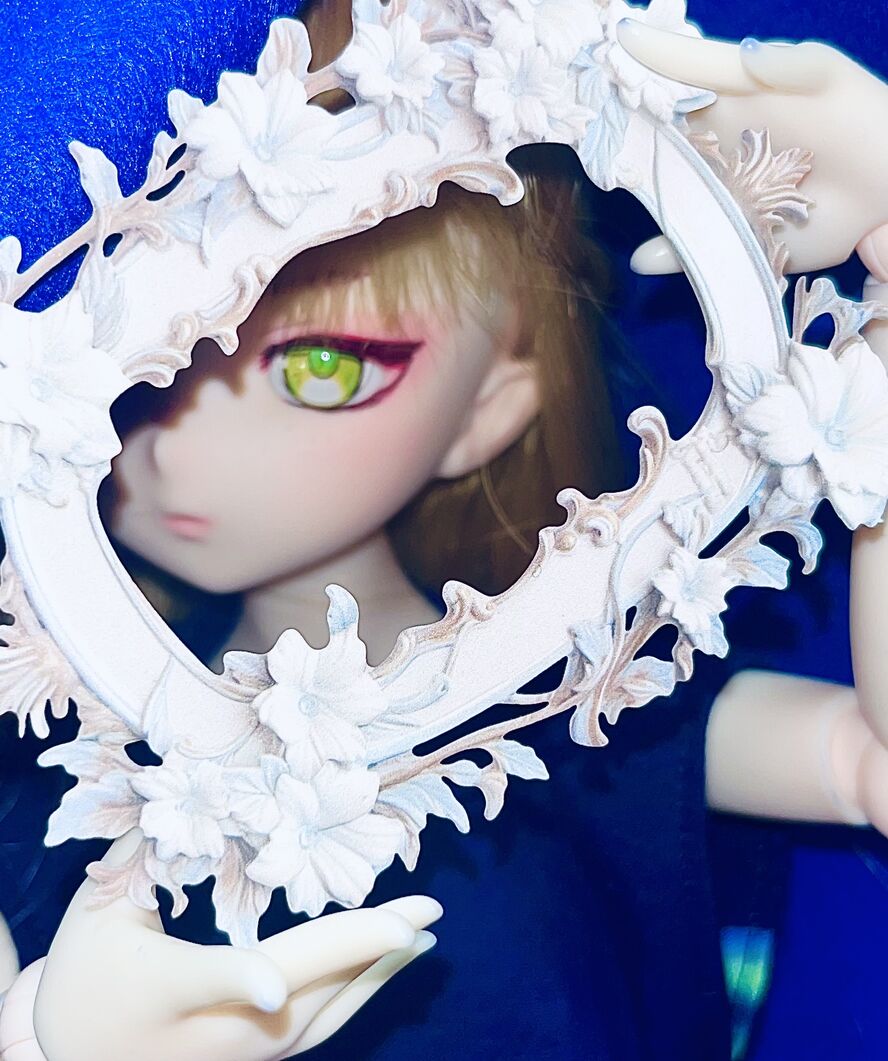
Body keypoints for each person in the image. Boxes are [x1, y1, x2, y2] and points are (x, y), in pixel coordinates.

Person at [1, 3, 887, 1060]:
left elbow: (870, 764)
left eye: (321, 367)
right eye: (130, 378)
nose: (175, 444)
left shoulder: (580, 702)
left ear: (489, 409)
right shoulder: (54, 764)